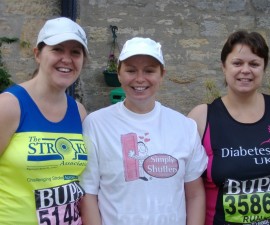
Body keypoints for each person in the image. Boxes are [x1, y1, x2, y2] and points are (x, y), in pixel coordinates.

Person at [79, 37, 208, 225]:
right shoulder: (96, 125)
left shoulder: (184, 127)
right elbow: (88, 194)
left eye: (149, 70)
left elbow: (195, 194)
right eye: (131, 70)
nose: (140, 79)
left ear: (162, 74)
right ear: (119, 73)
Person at [188, 30, 270, 225]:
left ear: (264, 68)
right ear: (223, 67)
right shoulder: (201, 118)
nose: (246, 70)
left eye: (254, 64)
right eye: (237, 63)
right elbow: (187, 189)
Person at [0, 17, 89, 225]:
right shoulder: (9, 106)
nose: (67, 59)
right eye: (57, 49)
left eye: (75, 52)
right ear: (38, 54)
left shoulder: (80, 112)